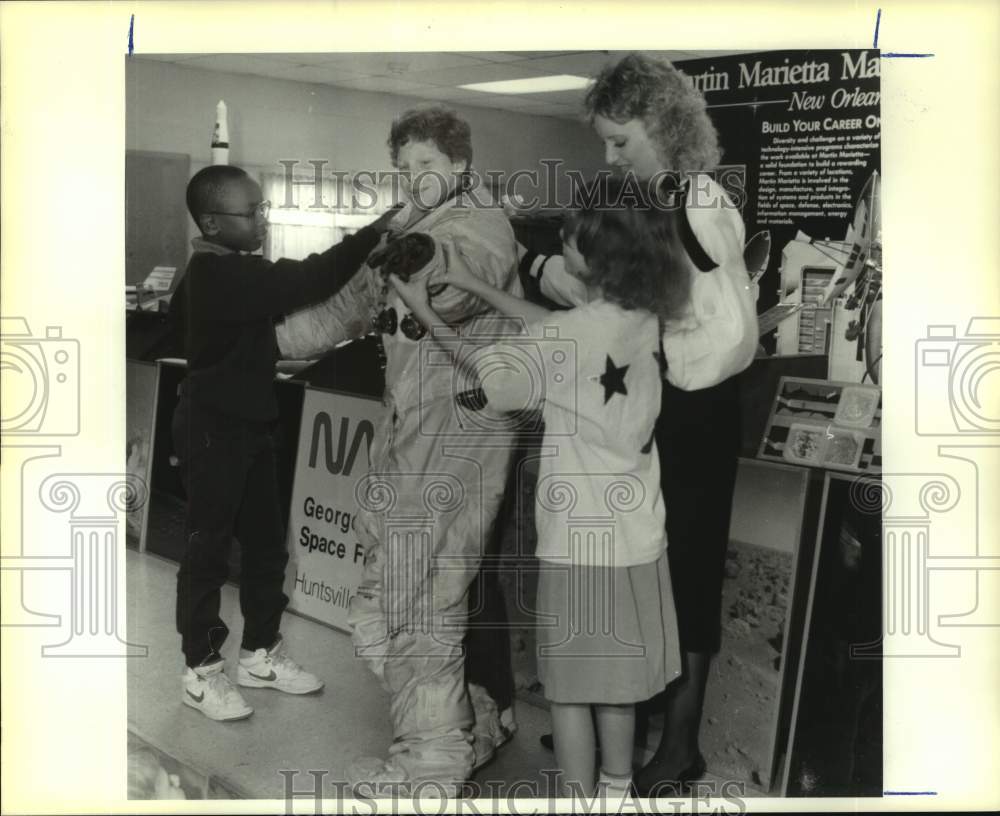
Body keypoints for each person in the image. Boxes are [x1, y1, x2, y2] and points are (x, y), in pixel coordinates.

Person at [391, 176, 689, 800]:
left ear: (594, 256)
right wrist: (474, 284)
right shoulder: (638, 316)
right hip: (637, 539)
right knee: (616, 686)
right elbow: (558, 326)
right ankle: (615, 793)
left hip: (580, 546)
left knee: (570, 694)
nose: (561, 243)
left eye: (570, 240)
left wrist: (420, 308)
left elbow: (494, 375)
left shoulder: (571, 338)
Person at [518, 54, 758, 795]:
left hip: (697, 405)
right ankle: (616, 714)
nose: (610, 155)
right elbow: (599, 284)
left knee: (681, 567)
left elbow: (711, 290)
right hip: (652, 395)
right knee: (637, 565)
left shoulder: (699, 201)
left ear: (664, 126)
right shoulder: (645, 195)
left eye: (622, 140)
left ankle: (678, 741)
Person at [275, 106, 521, 793]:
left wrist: (427, 265)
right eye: (405, 166)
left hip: (462, 437)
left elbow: (465, 276)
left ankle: (431, 769)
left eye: (428, 166)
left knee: (422, 600)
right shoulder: (405, 226)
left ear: (461, 166)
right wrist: (259, 340)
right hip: (412, 435)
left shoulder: (480, 224)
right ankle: (468, 721)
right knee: (383, 608)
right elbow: (344, 309)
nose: (415, 178)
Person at [172, 164, 398, 722]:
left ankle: (259, 654)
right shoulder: (216, 275)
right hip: (212, 430)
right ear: (212, 223)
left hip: (249, 424)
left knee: (268, 548)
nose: (262, 221)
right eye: (250, 213)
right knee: (206, 554)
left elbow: (254, 338)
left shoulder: (231, 273)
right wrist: (373, 233)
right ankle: (200, 671)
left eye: (262, 209)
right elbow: (307, 279)